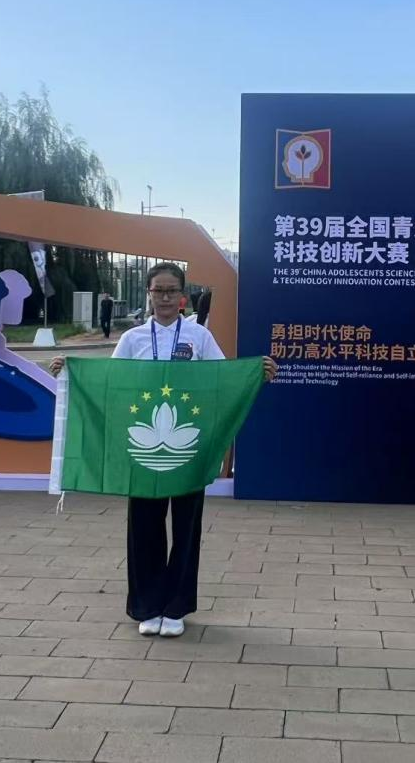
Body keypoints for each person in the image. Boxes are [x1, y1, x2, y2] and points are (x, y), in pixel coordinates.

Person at [51, 262, 277, 639]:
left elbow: (221, 381)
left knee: (186, 528)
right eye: (159, 290)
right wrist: (70, 370)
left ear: (183, 295)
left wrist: (256, 374)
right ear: (149, 294)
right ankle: (147, 605)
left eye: (172, 290)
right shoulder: (134, 338)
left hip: (187, 446)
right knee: (144, 527)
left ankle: (176, 607)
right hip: (143, 448)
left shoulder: (199, 336)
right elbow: (111, 384)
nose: (166, 297)